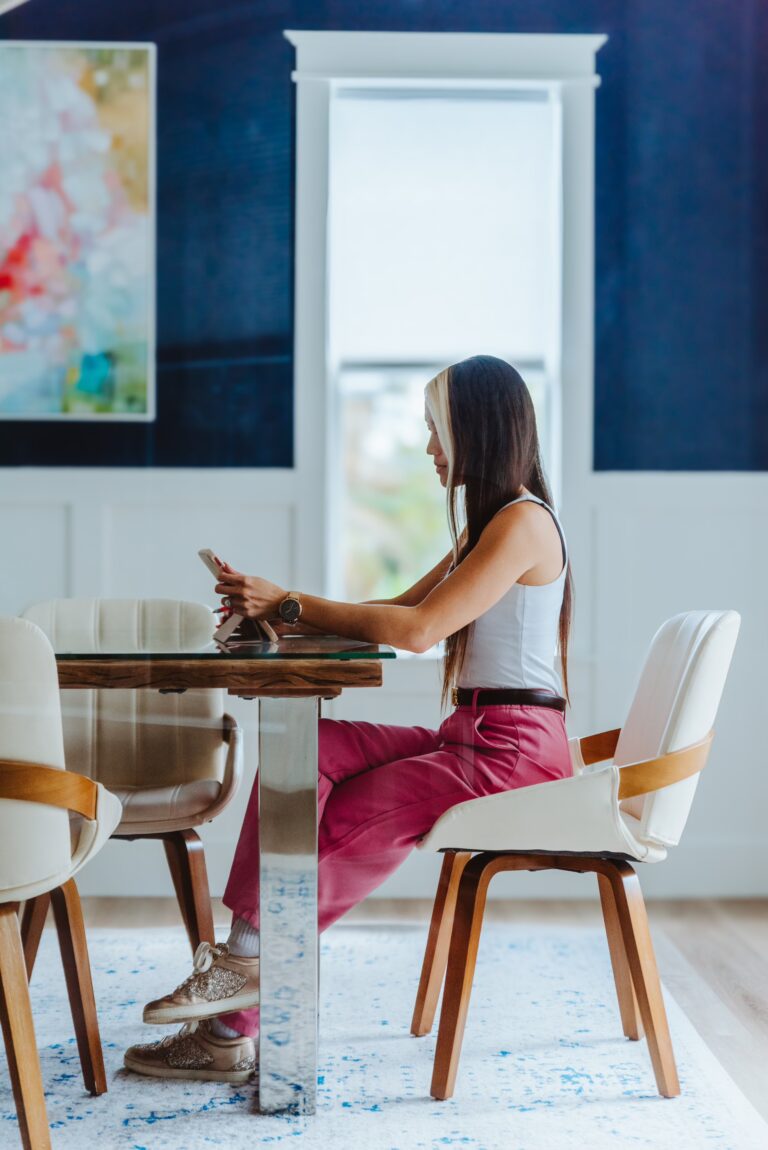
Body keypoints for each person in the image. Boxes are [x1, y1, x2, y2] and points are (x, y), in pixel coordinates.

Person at [123, 354, 575, 1082]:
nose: (431, 449)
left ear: (478, 431)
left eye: (439, 432)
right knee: (314, 753)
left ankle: (234, 996)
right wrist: (285, 626)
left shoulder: (521, 524)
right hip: (475, 738)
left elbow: (420, 632)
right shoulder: (492, 526)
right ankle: (240, 978)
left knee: (339, 817)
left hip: (513, 754)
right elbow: (400, 611)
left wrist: (290, 601)